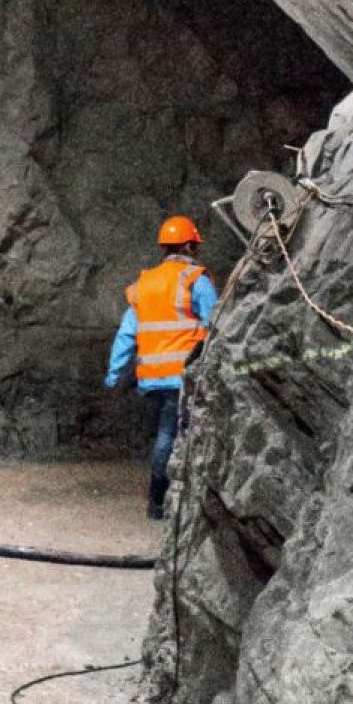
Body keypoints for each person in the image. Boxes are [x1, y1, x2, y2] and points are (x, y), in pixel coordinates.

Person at [105, 214, 219, 520]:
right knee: (178, 436)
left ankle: (159, 500)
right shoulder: (195, 280)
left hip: (151, 379)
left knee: (164, 435)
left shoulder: (145, 283)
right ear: (186, 245)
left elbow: (126, 334)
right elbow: (216, 326)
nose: (196, 251)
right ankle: (168, 502)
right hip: (184, 376)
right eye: (194, 246)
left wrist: (114, 374)